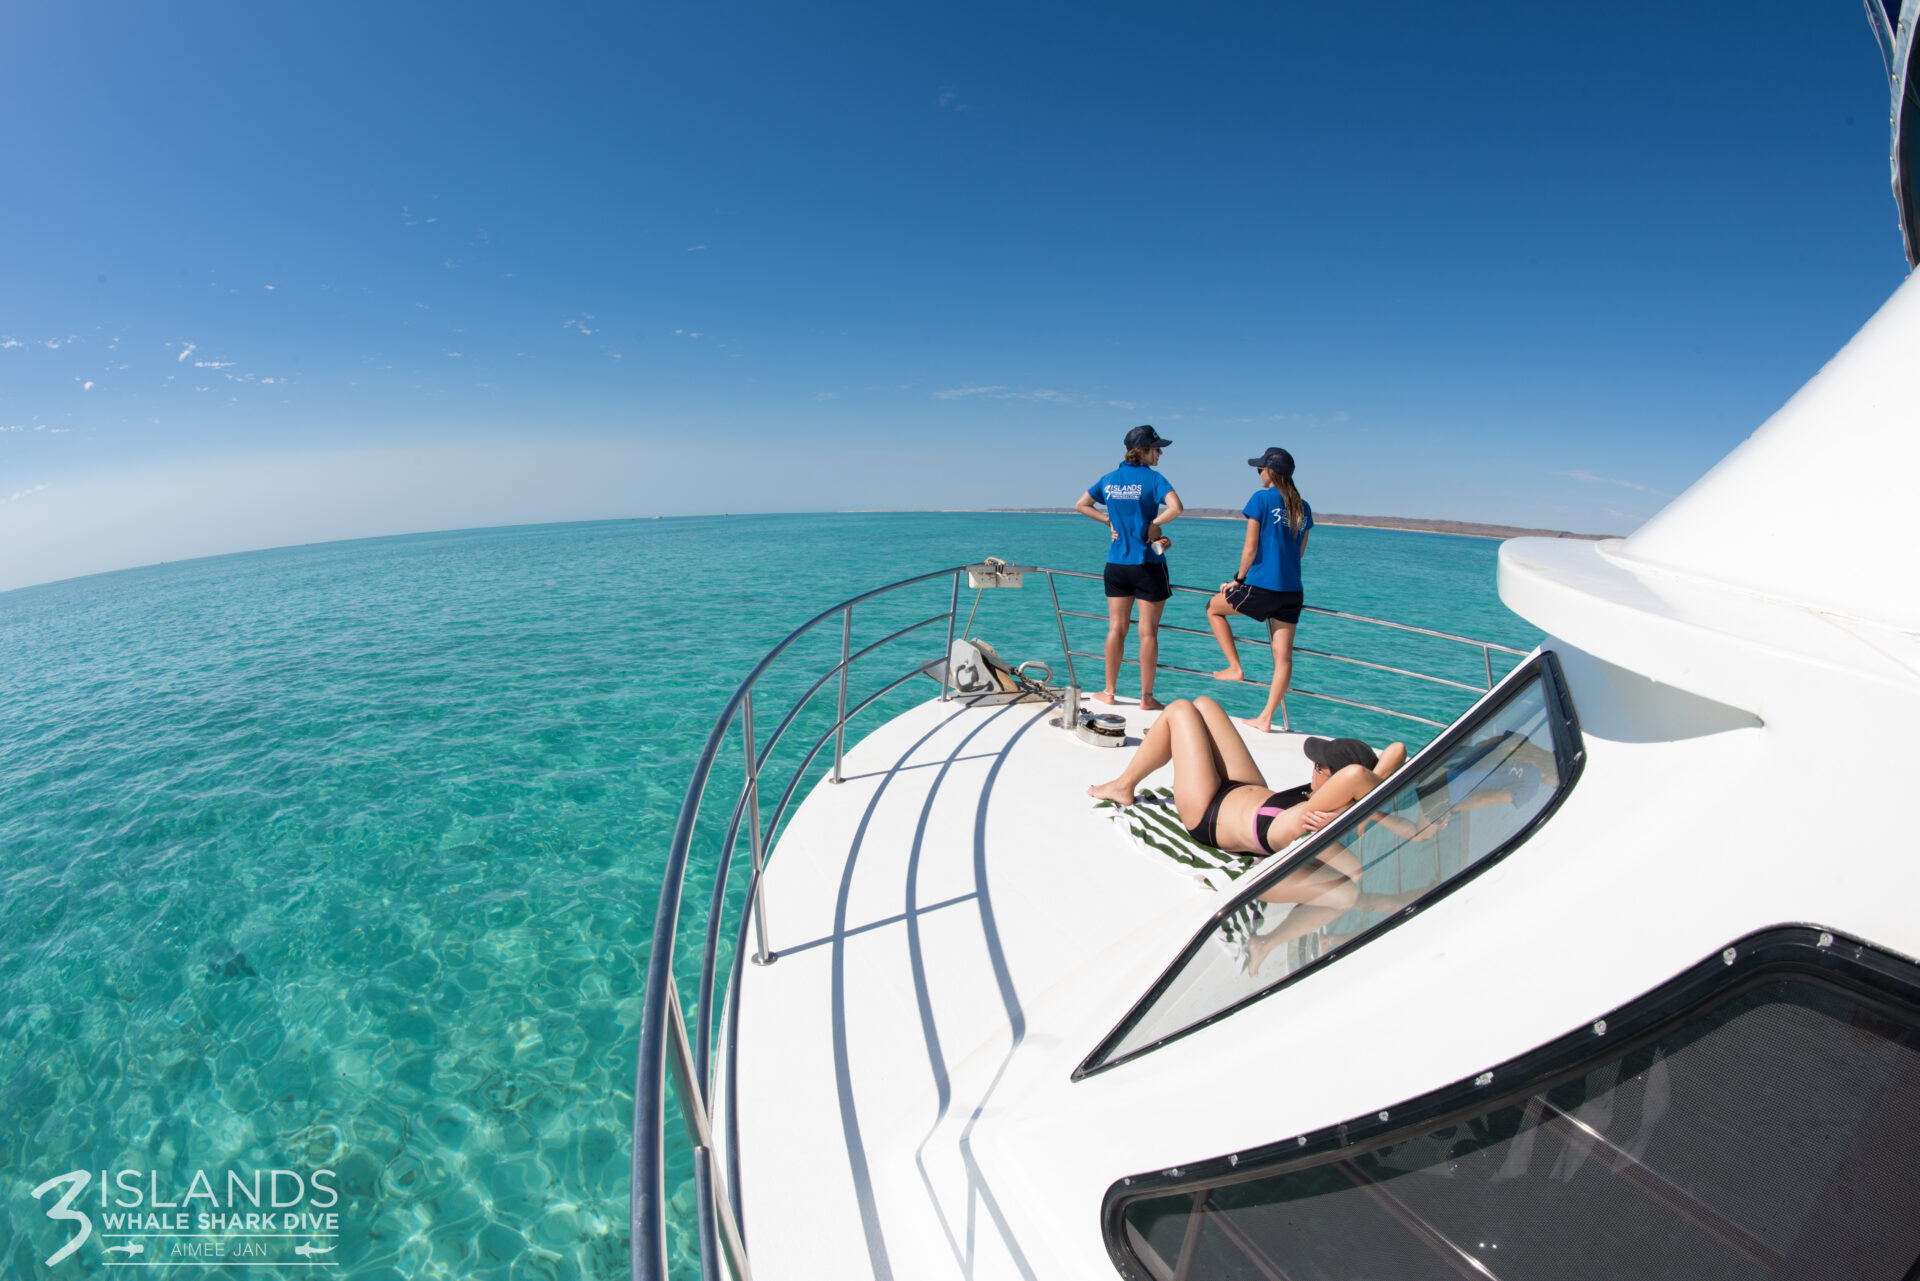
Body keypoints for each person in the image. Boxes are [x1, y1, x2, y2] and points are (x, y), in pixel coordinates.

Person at [1086, 697, 1404, 862]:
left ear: (1338, 781)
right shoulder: (1335, 802)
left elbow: (1357, 774)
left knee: (1180, 710)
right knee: (1205, 705)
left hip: (1209, 814)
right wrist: (1353, 806)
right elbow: (1396, 750)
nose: (1312, 768)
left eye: (1319, 767)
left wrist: (1345, 812)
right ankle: (1126, 781)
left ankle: (1123, 786)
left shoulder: (1309, 816)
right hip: (1245, 790)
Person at [1075, 425, 1183, 710]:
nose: (1160, 452)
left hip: (1116, 564)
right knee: (1147, 632)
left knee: (1116, 628)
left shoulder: (1109, 479)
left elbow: (1082, 504)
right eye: (1157, 448)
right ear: (1144, 450)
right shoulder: (1154, 479)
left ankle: (1109, 691)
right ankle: (1146, 699)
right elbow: (1176, 507)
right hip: (1148, 564)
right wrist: (1155, 524)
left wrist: (1108, 521)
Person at [1207, 446, 1313, 733]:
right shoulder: (1303, 507)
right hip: (1292, 591)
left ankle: (1235, 668)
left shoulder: (1261, 499)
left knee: (1213, 608)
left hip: (1262, 587)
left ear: (1271, 472)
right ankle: (1266, 717)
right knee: (1283, 657)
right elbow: (1298, 553)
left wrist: (1238, 580)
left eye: (1260, 469)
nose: (1259, 474)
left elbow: (1250, 548)